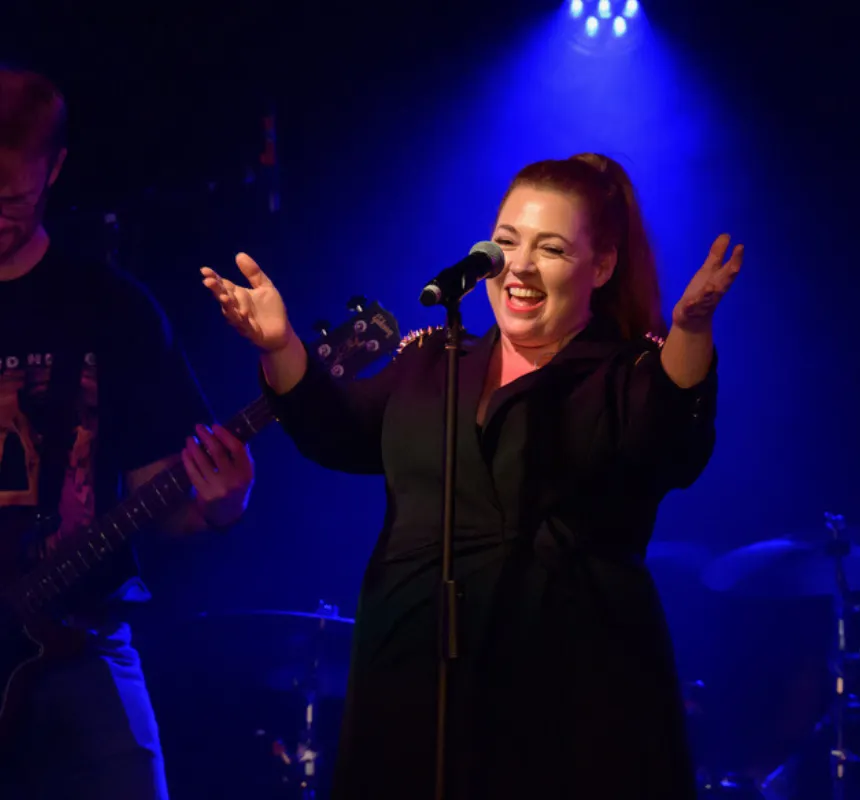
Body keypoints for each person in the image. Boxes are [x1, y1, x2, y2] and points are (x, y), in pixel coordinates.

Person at [202, 152, 742, 799]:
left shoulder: (623, 379)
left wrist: (690, 330)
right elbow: (337, 431)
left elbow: (672, 434)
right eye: (506, 243)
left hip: (571, 694)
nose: (519, 266)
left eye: (552, 250)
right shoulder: (435, 362)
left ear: (601, 267)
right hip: (413, 683)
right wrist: (279, 344)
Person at [0, 65, 256, 799]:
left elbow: (163, 500)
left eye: (12, 196)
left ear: (56, 169)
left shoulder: (112, 309)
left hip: (78, 642)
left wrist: (222, 502)